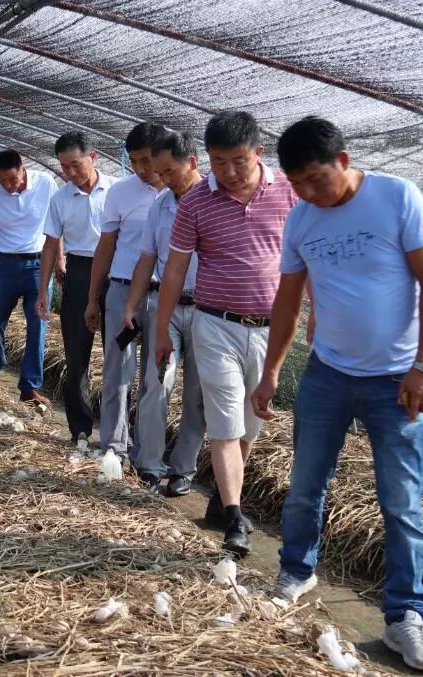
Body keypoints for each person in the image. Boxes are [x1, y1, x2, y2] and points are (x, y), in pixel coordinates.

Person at [248, 117, 423, 671]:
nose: (309, 193)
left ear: (343, 160)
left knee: (402, 503)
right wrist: (271, 373)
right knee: (306, 484)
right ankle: (295, 571)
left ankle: (405, 616)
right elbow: (287, 302)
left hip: (396, 381)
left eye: (316, 179)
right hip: (328, 374)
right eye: (297, 184)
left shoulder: (396, 197)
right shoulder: (302, 220)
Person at [154, 111, 297, 555]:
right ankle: (235, 518)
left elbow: (305, 259)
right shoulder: (196, 202)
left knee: (250, 422)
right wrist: (161, 330)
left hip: (270, 329)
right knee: (224, 421)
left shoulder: (290, 194)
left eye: (238, 160)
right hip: (214, 323)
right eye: (218, 162)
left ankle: (221, 500)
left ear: (259, 152)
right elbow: (175, 271)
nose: (229, 172)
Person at [123, 130, 204, 495]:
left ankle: (184, 467)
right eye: (160, 173)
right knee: (157, 384)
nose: (163, 180)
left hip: (207, 309)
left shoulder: (215, 201)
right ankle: (149, 464)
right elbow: (147, 257)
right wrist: (131, 306)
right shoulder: (161, 205)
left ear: (193, 162)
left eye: (169, 172)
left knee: (198, 393)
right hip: (166, 305)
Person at [86, 122, 166, 464]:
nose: (141, 169)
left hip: (164, 294)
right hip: (120, 290)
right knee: (118, 370)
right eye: (134, 161)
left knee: (157, 377)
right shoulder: (120, 192)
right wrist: (93, 298)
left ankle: (147, 455)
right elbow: (106, 247)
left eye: (147, 160)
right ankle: (112, 447)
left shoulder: (183, 191)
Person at [36, 131, 117, 444]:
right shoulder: (60, 198)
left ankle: (114, 432)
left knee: (116, 357)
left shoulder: (116, 190)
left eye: (75, 164)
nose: (70, 172)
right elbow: (50, 244)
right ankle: (80, 429)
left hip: (116, 272)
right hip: (79, 272)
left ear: (92, 157)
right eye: (64, 167)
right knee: (76, 356)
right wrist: (44, 291)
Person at [0, 149, 58, 407]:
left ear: (23, 169)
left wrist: (60, 260)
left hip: (39, 264)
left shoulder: (46, 183)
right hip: (4, 264)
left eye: (12, 180)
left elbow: (57, 225)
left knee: (38, 325)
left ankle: (30, 386)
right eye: (2, 180)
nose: (8, 186)